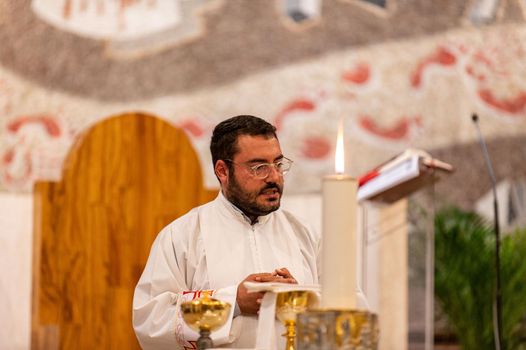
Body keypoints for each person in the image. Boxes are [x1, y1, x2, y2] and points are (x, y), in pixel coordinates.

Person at [133, 115, 320, 349]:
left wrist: (300, 300)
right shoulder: (181, 236)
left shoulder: (305, 235)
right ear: (222, 170)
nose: (274, 177)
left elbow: (344, 308)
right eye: (259, 167)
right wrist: (235, 302)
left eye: (278, 164)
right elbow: (150, 324)